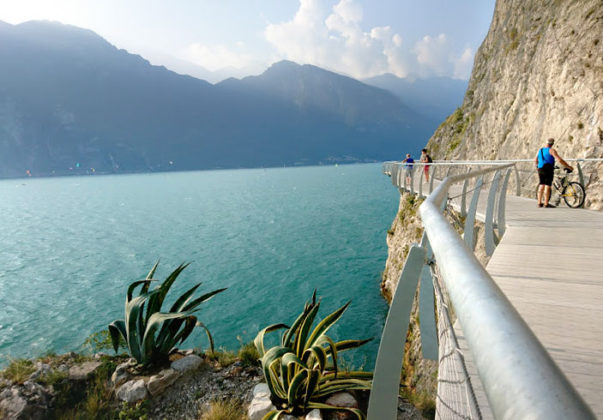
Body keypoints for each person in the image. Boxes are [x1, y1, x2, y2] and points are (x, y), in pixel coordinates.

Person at [534, 138, 573, 208]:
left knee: (541, 184)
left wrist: (537, 167)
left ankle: (539, 203)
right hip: (548, 168)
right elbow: (559, 159)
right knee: (547, 185)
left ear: (546, 143)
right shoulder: (551, 150)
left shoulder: (540, 150)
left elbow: (535, 160)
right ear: (552, 144)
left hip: (540, 168)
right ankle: (546, 203)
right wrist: (568, 166)